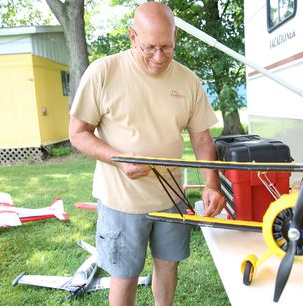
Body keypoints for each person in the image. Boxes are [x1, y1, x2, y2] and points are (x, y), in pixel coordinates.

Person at [68, 2, 226, 306]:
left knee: (168, 265)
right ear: (132, 37)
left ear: (175, 35)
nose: (158, 57)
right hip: (121, 201)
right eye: (149, 47)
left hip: (171, 197)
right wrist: (118, 159)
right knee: (125, 275)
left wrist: (212, 184)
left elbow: (202, 138)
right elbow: (78, 133)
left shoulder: (188, 80)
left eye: (167, 47)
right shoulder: (104, 72)